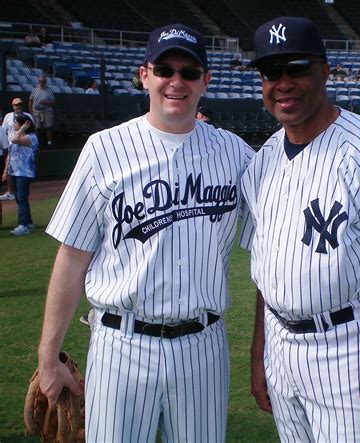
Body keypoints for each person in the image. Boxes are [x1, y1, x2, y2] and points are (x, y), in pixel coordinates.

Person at [37, 23, 253, 442]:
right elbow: (72, 257)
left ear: (206, 81)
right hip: (121, 343)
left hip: (203, 346)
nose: (177, 81)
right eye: (165, 69)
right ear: (144, 75)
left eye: (189, 73)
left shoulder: (236, 154)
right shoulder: (104, 149)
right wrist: (49, 356)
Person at [239, 17, 360, 441]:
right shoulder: (264, 160)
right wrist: (259, 354)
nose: (284, 82)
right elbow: (265, 267)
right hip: (279, 345)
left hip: (348, 347)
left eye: (297, 68)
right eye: (272, 71)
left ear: (325, 72)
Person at [1, 113, 38, 236]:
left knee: (21, 197)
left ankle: (23, 225)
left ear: (24, 124)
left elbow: (15, 140)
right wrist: (6, 171)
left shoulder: (32, 137)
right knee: (19, 198)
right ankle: (28, 223)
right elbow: (10, 155)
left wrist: (22, 129)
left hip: (24, 172)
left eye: (16, 122)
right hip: (14, 171)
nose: (14, 124)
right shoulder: (16, 135)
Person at [0, 98, 34, 201]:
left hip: (24, 144)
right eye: (16, 105)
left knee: (22, 169)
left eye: (20, 104)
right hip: (11, 144)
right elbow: (4, 130)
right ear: (13, 106)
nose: (18, 106)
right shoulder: (8, 116)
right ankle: (10, 192)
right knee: (10, 168)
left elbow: (33, 130)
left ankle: (20, 192)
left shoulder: (28, 116)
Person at [29, 76, 55, 147]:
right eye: (40, 81)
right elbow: (30, 101)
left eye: (43, 81)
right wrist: (31, 111)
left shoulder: (49, 90)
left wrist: (45, 102)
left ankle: (49, 143)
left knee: (48, 127)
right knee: (36, 128)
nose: (41, 83)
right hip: (36, 111)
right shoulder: (34, 90)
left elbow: (53, 102)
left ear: (45, 82)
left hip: (46, 110)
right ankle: (36, 143)